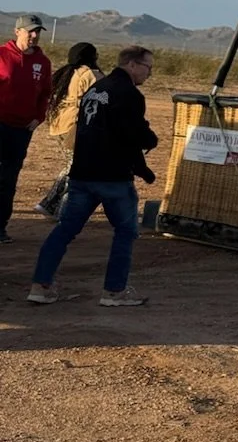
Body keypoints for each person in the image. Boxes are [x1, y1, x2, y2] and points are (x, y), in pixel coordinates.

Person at [27, 45, 157, 308]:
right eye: (147, 67)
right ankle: (114, 291)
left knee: (65, 229)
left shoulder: (95, 90)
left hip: (82, 174)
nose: (149, 74)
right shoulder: (129, 94)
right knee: (125, 232)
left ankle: (41, 285)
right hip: (113, 177)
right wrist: (147, 151)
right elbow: (131, 135)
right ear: (132, 65)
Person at [0, 14, 53, 242]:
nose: (34, 36)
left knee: (8, 179)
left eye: (37, 31)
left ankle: (0, 226)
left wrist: (38, 117)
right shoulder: (2, 55)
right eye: (30, 31)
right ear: (17, 31)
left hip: (22, 130)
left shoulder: (43, 63)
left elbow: (45, 94)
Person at [37, 41, 102, 217]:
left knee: (72, 165)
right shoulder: (89, 74)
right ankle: (61, 209)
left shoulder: (66, 72)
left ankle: (49, 204)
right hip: (76, 126)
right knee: (76, 168)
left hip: (60, 124)